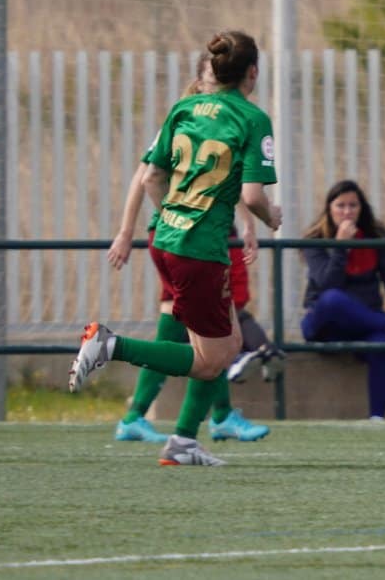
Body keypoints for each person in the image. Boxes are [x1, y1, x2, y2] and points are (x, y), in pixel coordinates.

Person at [68, 30, 282, 467]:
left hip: (164, 240)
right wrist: (271, 217)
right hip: (199, 250)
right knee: (211, 359)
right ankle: (111, 347)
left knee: (228, 340)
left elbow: (150, 178)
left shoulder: (183, 108)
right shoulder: (253, 118)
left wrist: (174, 216)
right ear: (253, 72)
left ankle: (184, 440)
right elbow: (255, 196)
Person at [300, 178, 385, 422]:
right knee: (332, 299)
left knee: (384, 343)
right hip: (324, 324)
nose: (347, 212)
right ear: (329, 209)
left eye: (353, 205)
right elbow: (327, 284)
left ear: (362, 208)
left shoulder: (375, 235)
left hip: (364, 323)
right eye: (340, 206)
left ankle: (377, 417)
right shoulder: (316, 240)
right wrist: (341, 247)